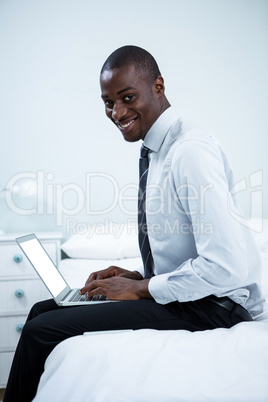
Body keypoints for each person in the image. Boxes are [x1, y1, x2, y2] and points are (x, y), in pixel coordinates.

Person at [4, 45, 265, 402]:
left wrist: (142, 291)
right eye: (108, 102)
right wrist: (137, 277)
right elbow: (184, 249)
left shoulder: (189, 150)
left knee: (40, 330)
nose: (117, 112)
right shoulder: (157, 150)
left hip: (215, 307)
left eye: (128, 97)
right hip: (193, 298)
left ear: (158, 86)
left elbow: (225, 267)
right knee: (42, 311)